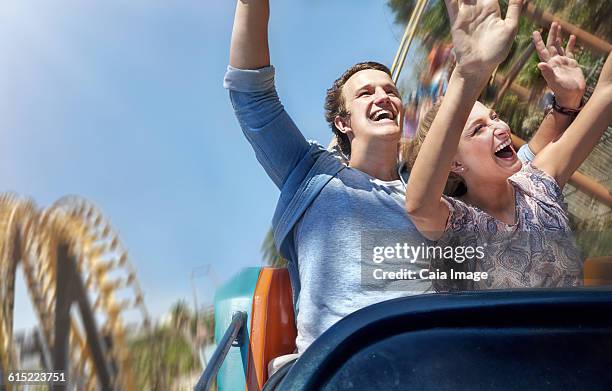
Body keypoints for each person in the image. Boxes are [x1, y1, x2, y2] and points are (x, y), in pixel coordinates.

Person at [225, 0, 581, 353]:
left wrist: (564, 106)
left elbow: (515, 174)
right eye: (366, 93)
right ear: (343, 122)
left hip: (425, 356)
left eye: (390, 91)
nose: (383, 97)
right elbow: (252, 96)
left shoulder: (432, 194)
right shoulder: (310, 175)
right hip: (341, 363)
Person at [405, 0, 612, 291]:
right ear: (454, 164)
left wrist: (573, 94)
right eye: (479, 129)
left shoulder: (539, 182)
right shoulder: (457, 227)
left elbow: (607, 92)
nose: (501, 127)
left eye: (495, 117)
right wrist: (468, 75)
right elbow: (418, 205)